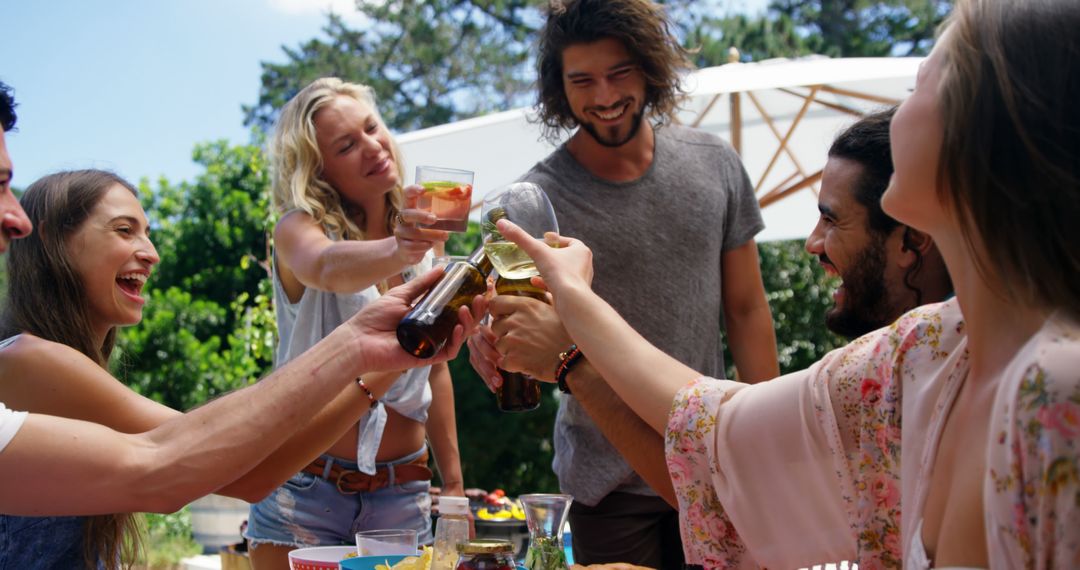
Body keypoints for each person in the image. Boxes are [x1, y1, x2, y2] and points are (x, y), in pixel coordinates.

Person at [494, 0, 1080, 566]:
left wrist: (573, 336)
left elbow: (739, 365)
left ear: (996, 135)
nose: (812, 243)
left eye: (928, 76)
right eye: (582, 80)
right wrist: (565, 313)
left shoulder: (1058, 393)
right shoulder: (916, 353)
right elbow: (722, 426)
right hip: (607, 482)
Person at [0, 83, 482, 570]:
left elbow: (253, 473)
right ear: (53, 243)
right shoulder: (28, 360)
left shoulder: (56, 365)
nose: (151, 253)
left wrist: (387, 358)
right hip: (307, 495)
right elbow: (192, 461)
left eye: (147, 232)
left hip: (400, 484)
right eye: (125, 230)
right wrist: (378, 349)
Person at [475, 107, 954, 508]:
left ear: (913, 237)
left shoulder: (887, 367)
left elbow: (730, 459)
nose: (812, 243)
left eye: (832, 219)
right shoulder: (952, 346)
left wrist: (573, 345)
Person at [471, 0, 781, 564]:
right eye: (582, 80)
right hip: (605, 481)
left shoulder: (715, 163)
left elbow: (746, 309)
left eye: (619, 73)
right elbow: (499, 304)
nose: (605, 96)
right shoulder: (536, 197)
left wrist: (767, 438)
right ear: (558, 89)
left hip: (713, 461)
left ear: (649, 68)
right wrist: (480, 333)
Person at [244, 77, 463, 568]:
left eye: (371, 128)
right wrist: (399, 248)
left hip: (402, 491)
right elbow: (325, 266)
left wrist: (452, 485)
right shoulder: (297, 229)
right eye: (347, 145)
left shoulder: (424, 235)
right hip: (304, 487)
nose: (372, 146)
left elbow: (437, 370)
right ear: (319, 170)